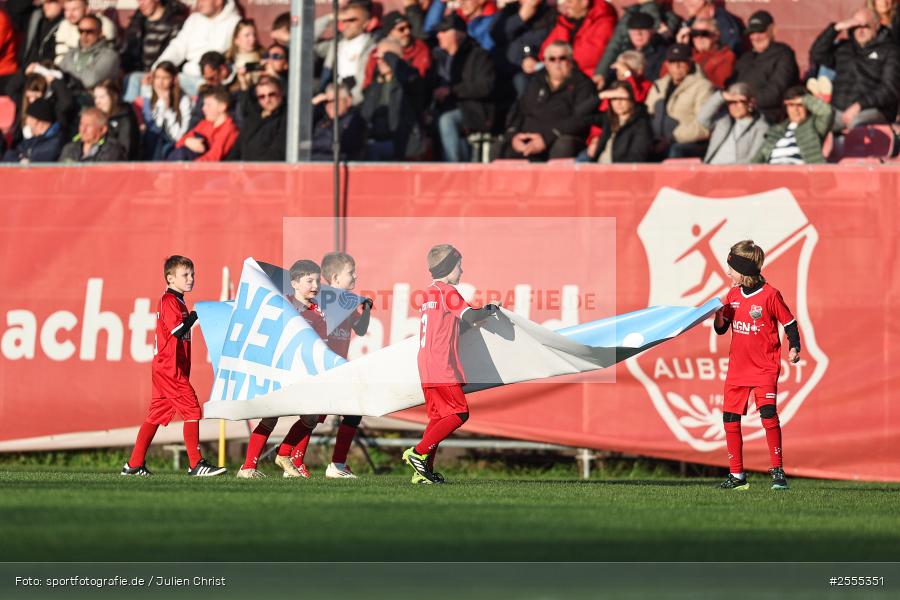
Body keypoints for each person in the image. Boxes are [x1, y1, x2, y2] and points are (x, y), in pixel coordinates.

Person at [122, 255, 227, 477]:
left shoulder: (178, 301)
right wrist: (199, 314)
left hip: (166, 368)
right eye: (185, 275)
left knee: (155, 415)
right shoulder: (169, 301)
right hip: (169, 369)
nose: (191, 279)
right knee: (192, 409)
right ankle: (196, 463)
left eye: (192, 274)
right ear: (170, 278)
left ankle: (133, 465)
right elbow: (177, 330)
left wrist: (200, 314)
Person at [403, 245, 498, 484]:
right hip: (441, 363)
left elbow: (453, 324)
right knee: (459, 413)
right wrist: (490, 309)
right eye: (459, 265)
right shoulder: (448, 291)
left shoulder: (428, 293)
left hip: (426, 363)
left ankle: (422, 472)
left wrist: (473, 321)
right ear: (448, 267)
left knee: (438, 419)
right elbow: (471, 316)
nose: (462, 270)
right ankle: (418, 452)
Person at [713, 240, 800, 491]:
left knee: (768, 415)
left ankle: (777, 472)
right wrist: (719, 316)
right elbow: (722, 330)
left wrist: (794, 347)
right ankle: (737, 476)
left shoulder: (770, 295)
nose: (728, 273)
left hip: (764, 368)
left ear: (743, 270)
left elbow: (790, 324)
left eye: (731, 268)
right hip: (737, 369)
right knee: (729, 418)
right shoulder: (732, 296)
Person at [237, 259, 328, 479]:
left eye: (317, 280)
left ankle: (284, 453)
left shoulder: (318, 313)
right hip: (280, 373)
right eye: (309, 280)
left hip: (304, 375)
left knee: (311, 418)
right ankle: (248, 467)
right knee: (270, 417)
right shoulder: (282, 307)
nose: (315, 285)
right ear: (294, 283)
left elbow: (319, 347)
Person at [286, 252, 373, 479]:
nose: (355, 276)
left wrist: (366, 311)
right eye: (350, 272)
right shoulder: (322, 301)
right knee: (314, 416)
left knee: (335, 414)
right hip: (323, 368)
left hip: (338, 368)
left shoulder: (347, 302)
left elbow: (361, 330)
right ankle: (323, 463)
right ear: (335, 277)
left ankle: (320, 462)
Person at [500, 41, 597, 161]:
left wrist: (547, 138)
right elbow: (519, 110)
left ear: (570, 61)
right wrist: (513, 135)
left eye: (562, 58)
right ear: (545, 62)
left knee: (564, 145)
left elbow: (581, 119)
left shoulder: (583, 84)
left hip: (558, 138)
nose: (557, 63)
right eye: (552, 59)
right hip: (528, 138)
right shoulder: (535, 81)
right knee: (500, 147)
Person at [809, 7, 900, 132]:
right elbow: (817, 54)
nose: (860, 31)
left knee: (857, 124)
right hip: (840, 109)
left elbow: (889, 89)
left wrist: (859, 105)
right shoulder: (844, 48)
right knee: (811, 126)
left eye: (865, 26)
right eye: (856, 26)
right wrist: (835, 28)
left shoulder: (890, 50)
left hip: (874, 110)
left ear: (877, 26)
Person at [431, 13, 495, 162]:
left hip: (475, 111)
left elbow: (486, 86)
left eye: (443, 31)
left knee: (447, 120)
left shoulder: (479, 55)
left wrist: (453, 91)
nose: (439, 35)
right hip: (446, 108)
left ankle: (453, 169)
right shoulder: (440, 58)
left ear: (457, 33)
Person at [151, 0, 242, 96]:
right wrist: (157, 68)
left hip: (212, 81)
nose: (199, 3)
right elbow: (178, 47)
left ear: (218, 1)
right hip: (187, 76)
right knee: (141, 80)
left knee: (169, 82)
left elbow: (237, 58)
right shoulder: (194, 20)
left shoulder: (234, 23)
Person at [359, 38, 426, 160]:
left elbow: (408, 79)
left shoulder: (410, 78)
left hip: (401, 144)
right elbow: (365, 113)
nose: (380, 61)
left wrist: (391, 58)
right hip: (373, 141)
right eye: (378, 58)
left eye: (385, 57)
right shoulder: (376, 84)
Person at [645, 43, 713, 159]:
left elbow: (703, 126)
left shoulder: (703, 87)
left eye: (681, 62)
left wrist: (671, 139)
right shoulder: (658, 86)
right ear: (667, 64)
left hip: (683, 142)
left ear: (690, 63)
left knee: (675, 151)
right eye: (672, 62)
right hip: (656, 141)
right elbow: (647, 114)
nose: (677, 66)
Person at [729, 10, 798, 124]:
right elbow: (732, 84)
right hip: (738, 113)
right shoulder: (745, 58)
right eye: (752, 33)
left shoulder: (783, 54)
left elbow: (778, 89)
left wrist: (749, 103)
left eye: (760, 32)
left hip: (767, 116)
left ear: (772, 30)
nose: (756, 37)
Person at [592, 0, 678, 89]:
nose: (638, 35)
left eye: (643, 31)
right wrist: (601, 75)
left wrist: (627, 74)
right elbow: (612, 50)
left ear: (652, 31)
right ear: (629, 33)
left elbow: (651, 86)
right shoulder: (623, 51)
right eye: (634, 31)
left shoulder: (661, 53)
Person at [121, 0, 187, 101]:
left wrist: (156, 72)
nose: (141, 4)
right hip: (140, 73)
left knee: (133, 78)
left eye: (144, 0)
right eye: (139, 1)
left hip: (162, 73)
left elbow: (174, 52)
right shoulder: (137, 22)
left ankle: (132, 113)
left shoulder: (175, 22)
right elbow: (127, 53)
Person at [752, 87, 834, 165]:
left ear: (807, 107)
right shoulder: (776, 130)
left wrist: (804, 99)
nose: (795, 110)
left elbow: (826, 112)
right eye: (791, 105)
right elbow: (758, 158)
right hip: (772, 175)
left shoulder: (815, 126)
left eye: (799, 105)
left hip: (801, 175)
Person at [539, 0, 617, 78]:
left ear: (584, 2)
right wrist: (565, 23)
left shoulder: (604, 20)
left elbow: (589, 57)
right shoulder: (567, 20)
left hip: (585, 77)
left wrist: (559, 59)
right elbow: (546, 51)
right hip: (563, 73)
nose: (565, 5)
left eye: (570, 2)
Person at [317, 1, 375, 106]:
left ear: (366, 23)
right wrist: (330, 17)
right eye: (343, 20)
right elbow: (304, 42)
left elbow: (366, 81)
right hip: (333, 101)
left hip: (358, 103)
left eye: (352, 20)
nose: (346, 24)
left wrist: (350, 101)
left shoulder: (373, 46)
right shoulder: (335, 44)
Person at [697, 82, 768, 165]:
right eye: (730, 102)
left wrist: (726, 169)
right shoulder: (723, 121)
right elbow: (702, 118)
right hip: (710, 169)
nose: (734, 106)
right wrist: (721, 97)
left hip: (734, 172)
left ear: (750, 103)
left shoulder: (761, 128)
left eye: (738, 102)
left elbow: (753, 158)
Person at [588, 81, 653, 162]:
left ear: (632, 100)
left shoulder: (641, 124)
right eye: (614, 99)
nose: (618, 103)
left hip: (619, 171)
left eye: (622, 98)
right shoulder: (608, 119)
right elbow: (580, 115)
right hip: (599, 167)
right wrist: (602, 95)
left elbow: (637, 157)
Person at [139, 60, 192, 160]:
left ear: (173, 79)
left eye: (165, 78)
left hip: (172, 143)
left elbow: (178, 136)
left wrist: (167, 110)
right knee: (153, 135)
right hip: (152, 144)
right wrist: (161, 104)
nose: (160, 82)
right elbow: (153, 127)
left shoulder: (183, 100)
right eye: (157, 77)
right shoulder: (149, 95)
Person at [169, 85, 238, 161]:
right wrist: (187, 141)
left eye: (208, 105)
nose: (203, 108)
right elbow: (179, 143)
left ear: (222, 107)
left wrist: (188, 167)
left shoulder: (228, 129)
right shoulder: (204, 124)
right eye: (204, 104)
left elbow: (213, 158)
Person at [226, 74, 286, 160]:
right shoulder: (252, 119)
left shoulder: (287, 119)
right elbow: (236, 150)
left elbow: (276, 153)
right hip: (245, 169)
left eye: (272, 94)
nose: (267, 100)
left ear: (281, 93)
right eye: (262, 97)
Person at [57, 14, 119, 93]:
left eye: (89, 32)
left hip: (95, 101)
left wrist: (66, 77)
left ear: (100, 32)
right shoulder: (71, 53)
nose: (84, 35)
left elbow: (89, 80)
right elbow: (58, 75)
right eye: (81, 31)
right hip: (68, 97)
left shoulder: (110, 55)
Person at [670, 16, 733, 90]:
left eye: (703, 34)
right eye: (695, 34)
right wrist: (680, 48)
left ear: (716, 35)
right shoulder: (689, 54)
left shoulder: (725, 56)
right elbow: (664, 75)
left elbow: (715, 86)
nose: (699, 38)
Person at [311, 81, 367, 161]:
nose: (329, 105)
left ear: (348, 101)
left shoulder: (355, 121)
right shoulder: (320, 120)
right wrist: (313, 105)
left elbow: (341, 145)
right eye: (326, 102)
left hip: (338, 166)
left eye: (334, 101)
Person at [54, 0, 116, 65]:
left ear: (87, 9)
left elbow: (107, 58)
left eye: (74, 9)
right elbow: (60, 56)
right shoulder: (64, 25)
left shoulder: (104, 25)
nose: (70, 14)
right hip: (69, 70)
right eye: (66, 10)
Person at [2, 97, 64, 162]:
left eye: (29, 119)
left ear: (39, 122)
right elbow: (9, 155)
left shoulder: (55, 143)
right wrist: (21, 160)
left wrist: (23, 158)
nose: (27, 123)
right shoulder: (35, 140)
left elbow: (35, 160)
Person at [424, 0, 500, 53]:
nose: (461, 2)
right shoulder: (458, 20)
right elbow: (429, 30)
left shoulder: (493, 24)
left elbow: (487, 52)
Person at [92, 79, 140, 160]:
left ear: (114, 97)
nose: (97, 102)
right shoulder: (95, 118)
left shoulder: (126, 120)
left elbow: (125, 152)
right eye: (95, 98)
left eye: (102, 97)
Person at [59, 106, 127, 161]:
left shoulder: (112, 150)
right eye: (81, 125)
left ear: (103, 129)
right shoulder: (70, 148)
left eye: (88, 126)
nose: (83, 130)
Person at [227, 18, 262, 92]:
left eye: (254, 35)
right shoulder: (229, 61)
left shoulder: (263, 56)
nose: (253, 39)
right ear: (236, 40)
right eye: (247, 35)